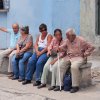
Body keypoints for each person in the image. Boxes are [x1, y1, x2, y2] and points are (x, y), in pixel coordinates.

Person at [57, 28, 95, 93]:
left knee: (74, 67)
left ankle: (75, 86)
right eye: (66, 36)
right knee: (61, 65)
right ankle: (60, 85)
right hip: (70, 57)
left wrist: (85, 54)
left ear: (73, 35)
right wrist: (59, 48)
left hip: (79, 57)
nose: (67, 37)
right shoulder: (67, 40)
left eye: (68, 36)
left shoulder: (81, 40)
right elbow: (63, 47)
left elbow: (92, 46)